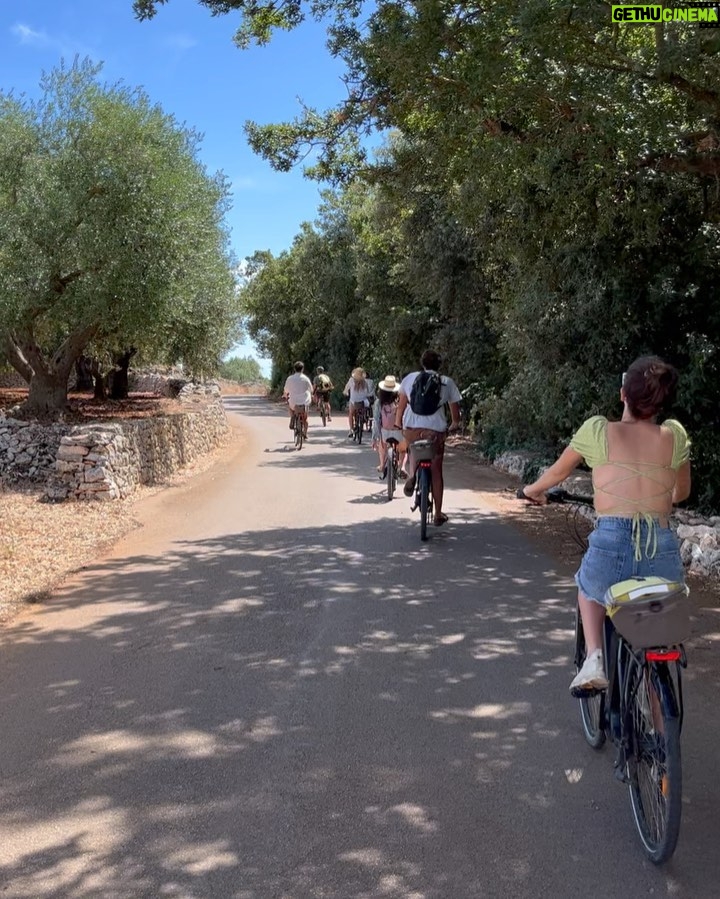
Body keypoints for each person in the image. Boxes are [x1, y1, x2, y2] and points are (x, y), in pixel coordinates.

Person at [520, 355, 691, 692]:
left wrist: (531, 491)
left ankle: (594, 658)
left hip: (612, 542)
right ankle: (661, 727)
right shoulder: (675, 435)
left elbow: (557, 473)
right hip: (662, 547)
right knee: (655, 644)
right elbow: (681, 493)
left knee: (588, 588)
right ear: (661, 401)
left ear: (623, 394)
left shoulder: (598, 430)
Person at [396, 350, 462, 526]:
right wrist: (453, 425)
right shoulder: (447, 382)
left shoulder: (410, 378)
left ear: (422, 363)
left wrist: (398, 424)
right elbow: (455, 415)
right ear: (439, 365)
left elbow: (401, 407)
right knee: (436, 470)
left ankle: (412, 476)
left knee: (412, 451)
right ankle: (438, 513)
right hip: (435, 433)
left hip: (412, 430)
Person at [371, 375, 408, 478]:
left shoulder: (379, 402)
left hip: (385, 432)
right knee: (403, 450)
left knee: (382, 447)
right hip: (399, 432)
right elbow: (406, 417)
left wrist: (375, 438)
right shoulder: (401, 401)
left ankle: (382, 465)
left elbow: (377, 420)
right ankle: (402, 467)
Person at [283, 361, 313, 438]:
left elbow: (286, 390)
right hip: (304, 403)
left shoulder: (290, 378)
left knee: (290, 407)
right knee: (305, 419)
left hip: (294, 403)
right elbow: (311, 389)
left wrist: (285, 395)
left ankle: (292, 417)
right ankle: (305, 433)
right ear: (302, 369)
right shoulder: (306, 379)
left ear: (294, 369)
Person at [344, 367, 370, 438]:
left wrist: (345, 393)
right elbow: (367, 392)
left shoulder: (351, 380)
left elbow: (346, 388)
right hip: (363, 402)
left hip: (354, 402)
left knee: (351, 413)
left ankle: (351, 430)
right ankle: (364, 417)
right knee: (365, 407)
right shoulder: (365, 382)